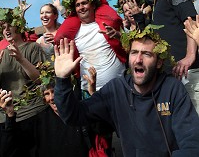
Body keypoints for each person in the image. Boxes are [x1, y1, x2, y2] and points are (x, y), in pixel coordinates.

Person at [53, 26, 199, 157]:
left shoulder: (172, 88)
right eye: (134, 52)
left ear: (159, 62)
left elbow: (191, 141)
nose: (138, 60)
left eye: (147, 54)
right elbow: (73, 115)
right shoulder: (115, 89)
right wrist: (62, 79)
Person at [134, 0, 199, 112]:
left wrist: (190, 56)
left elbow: (191, 20)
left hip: (190, 70)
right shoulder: (154, 7)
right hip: (174, 74)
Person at [59, 0, 127, 94]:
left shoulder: (107, 25)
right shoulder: (73, 33)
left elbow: (130, 46)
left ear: (94, 5)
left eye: (84, 3)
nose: (81, 7)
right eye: (77, 5)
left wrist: (119, 36)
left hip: (119, 86)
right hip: (89, 91)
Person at [0, 6, 47, 157]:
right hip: (8, 118)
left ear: (18, 26)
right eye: (3, 27)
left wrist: (21, 59)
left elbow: (40, 79)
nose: (6, 30)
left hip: (34, 112)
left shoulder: (33, 48)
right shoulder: (1, 54)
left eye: (9, 25)